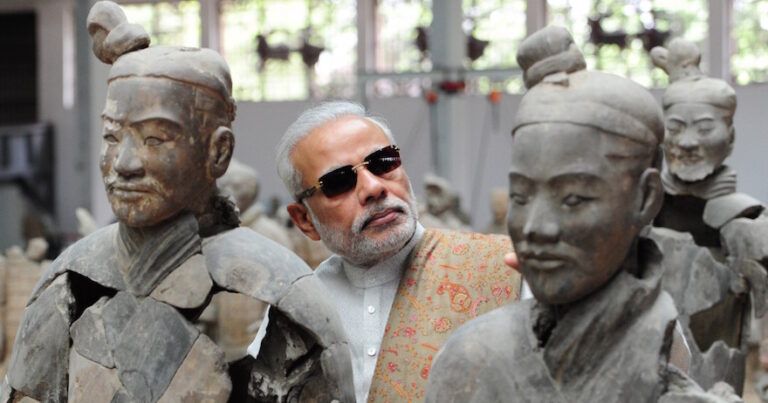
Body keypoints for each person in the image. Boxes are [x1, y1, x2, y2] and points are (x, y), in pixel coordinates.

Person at [2, 2, 354, 401]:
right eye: (112, 136)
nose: (124, 163)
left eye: (155, 139)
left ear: (218, 152)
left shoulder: (285, 289)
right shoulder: (69, 277)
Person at [425, 26, 736, 403]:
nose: (536, 228)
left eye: (572, 199)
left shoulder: (672, 357)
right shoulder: (471, 359)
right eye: (521, 196)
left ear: (646, 198)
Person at [267, 101, 522, 402]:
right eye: (339, 181)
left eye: (383, 162)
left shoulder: (503, 268)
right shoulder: (298, 311)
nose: (373, 187)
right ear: (304, 220)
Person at [649, 38, 768, 394]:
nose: (687, 142)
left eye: (704, 128)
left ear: (729, 138)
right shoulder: (637, 215)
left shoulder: (749, 223)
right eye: (675, 127)